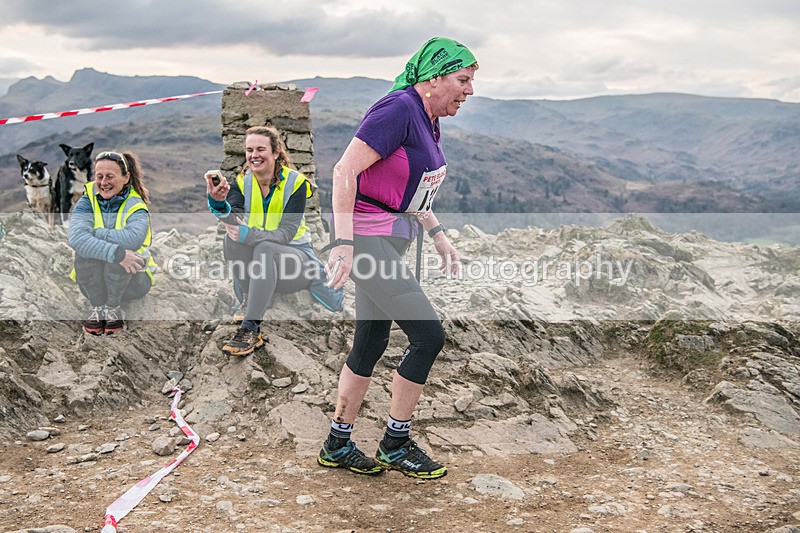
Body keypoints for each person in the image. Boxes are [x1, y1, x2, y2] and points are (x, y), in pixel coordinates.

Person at [317, 37, 477, 479]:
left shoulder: (428, 118)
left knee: (370, 343)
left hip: (389, 239)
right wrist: (343, 244)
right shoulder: (399, 109)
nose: (469, 91)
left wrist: (437, 234)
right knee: (428, 336)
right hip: (365, 239)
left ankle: (337, 443)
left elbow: (410, 188)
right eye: (463, 80)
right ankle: (396, 442)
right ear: (433, 78)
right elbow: (344, 170)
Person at [207, 125, 343, 356]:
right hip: (263, 270)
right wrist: (218, 202)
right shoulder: (242, 182)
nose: (254, 155)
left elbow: (286, 233)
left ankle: (251, 329)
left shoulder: (296, 183)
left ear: (276, 152)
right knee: (232, 241)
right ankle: (250, 298)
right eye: (249, 150)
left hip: (296, 264)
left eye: (260, 149)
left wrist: (249, 235)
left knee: (266, 248)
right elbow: (234, 218)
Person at [68, 151, 156, 335]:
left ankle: (113, 308)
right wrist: (116, 253)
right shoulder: (87, 201)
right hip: (93, 283)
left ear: (126, 177)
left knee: (120, 252)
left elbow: (133, 239)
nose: (103, 182)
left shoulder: (136, 205)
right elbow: (76, 238)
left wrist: (95, 233)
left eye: (110, 176)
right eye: (99, 176)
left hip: (133, 282)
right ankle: (98, 307)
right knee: (85, 252)